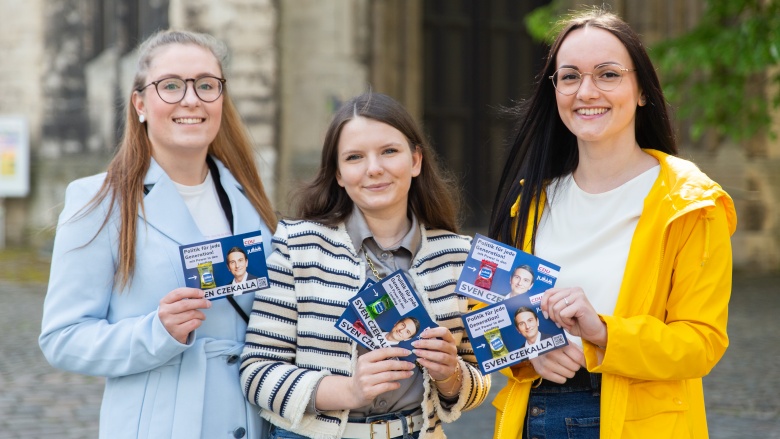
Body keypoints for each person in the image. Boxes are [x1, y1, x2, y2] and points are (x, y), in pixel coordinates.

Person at [488, 8, 736, 439]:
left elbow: (701, 342)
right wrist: (528, 352)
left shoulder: (692, 202)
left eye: (607, 74)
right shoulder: (528, 201)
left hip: (635, 422)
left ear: (642, 90)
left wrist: (603, 334)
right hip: (532, 416)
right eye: (569, 77)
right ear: (555, 91)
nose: (586, 91)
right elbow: (484, 314)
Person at [38, 30, 277, 439]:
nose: (191, 99)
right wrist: (157, 332)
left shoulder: (249, 197)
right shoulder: (99, 201)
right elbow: (62, 338)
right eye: (170, 85)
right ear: (141, 104)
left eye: (206, 85)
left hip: (252, 423)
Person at [240, 92, 491, 439]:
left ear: (416, 160)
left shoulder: (459, 256)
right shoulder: (298, 246)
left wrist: (451, 375)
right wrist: (349, 391)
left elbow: (480, 379)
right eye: (355, 157)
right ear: (339, 174)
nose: (374, 168)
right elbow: (256, 373)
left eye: (389, 151)